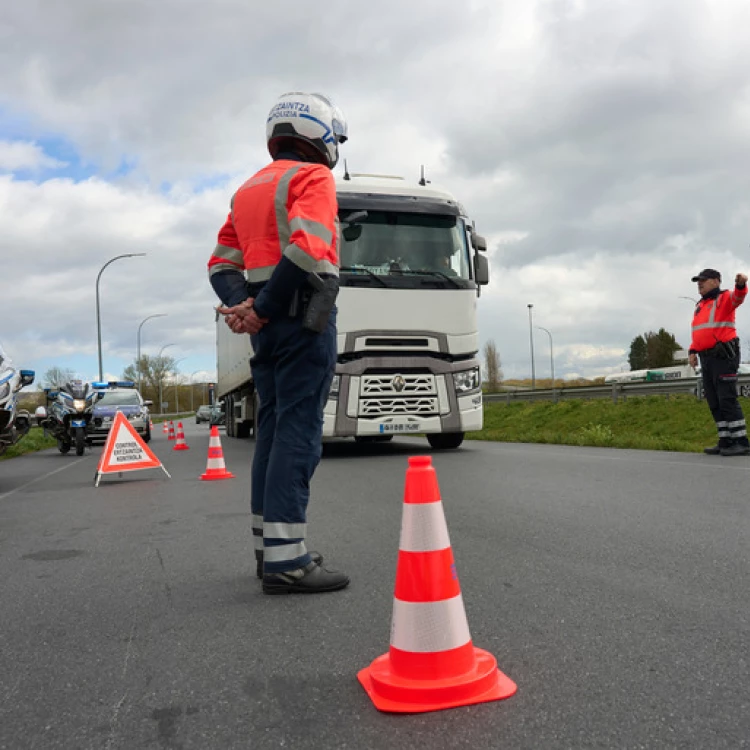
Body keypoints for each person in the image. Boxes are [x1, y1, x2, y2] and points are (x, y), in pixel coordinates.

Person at [207, 92, 350, 594]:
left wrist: (247, 309)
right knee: (298, 432)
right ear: (320, 133)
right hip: (302, 320)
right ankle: (290, 563)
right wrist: (263, 308)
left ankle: (271, 552)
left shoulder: (248, 189)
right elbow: (309, 248)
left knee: (270, 429)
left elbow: (220, 264)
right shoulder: (313, 178)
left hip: (266, 330)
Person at [687, 268, 750, 456]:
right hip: (706, 358)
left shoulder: (723, 299)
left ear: (715, 281)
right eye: (698, 281)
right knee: (714, 401)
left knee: (727, 399)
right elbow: (699, 332)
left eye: (703, 280)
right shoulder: (700, 305)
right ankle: (725, 440)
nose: (700, 283)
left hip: (724, 356)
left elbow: (738, 297)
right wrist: (692, 350)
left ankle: (741, 441)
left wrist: (740, 284)